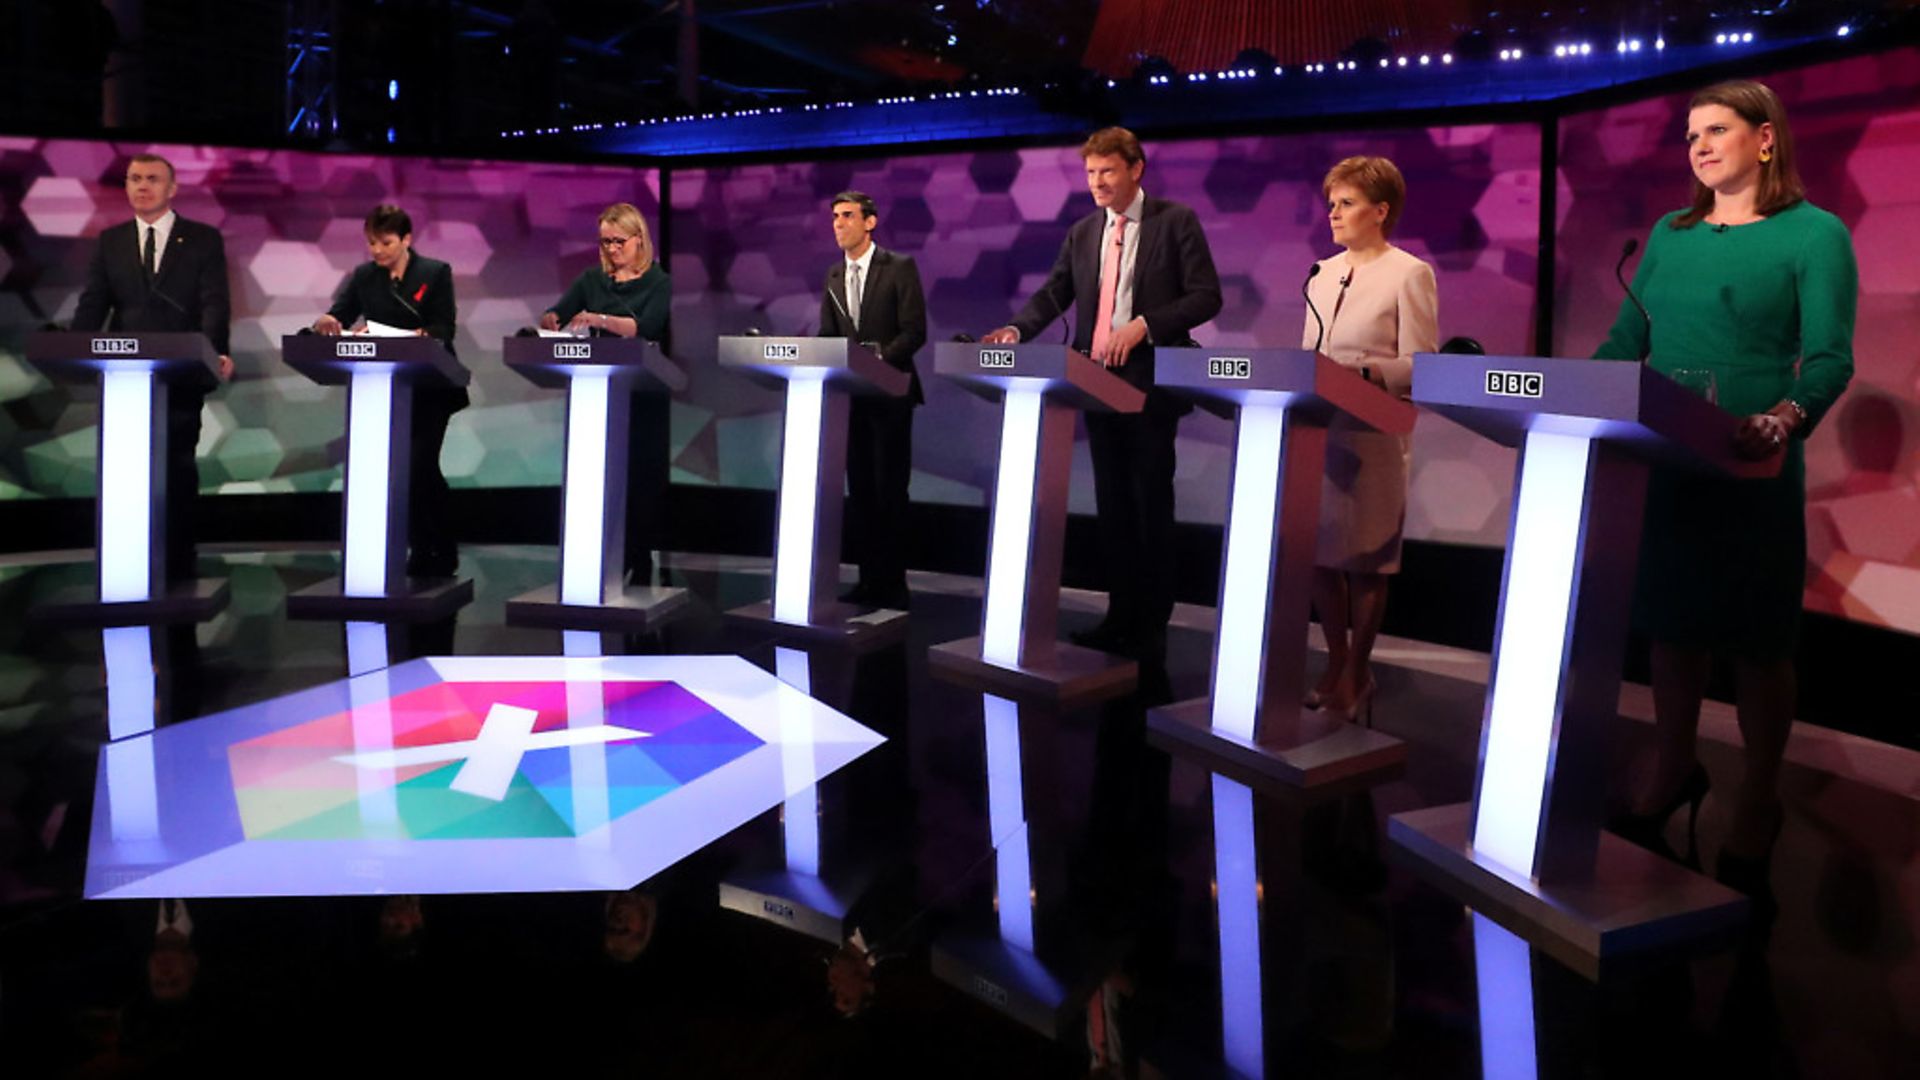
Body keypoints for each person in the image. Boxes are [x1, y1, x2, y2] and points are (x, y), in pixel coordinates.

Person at [1596, 80, 1855, 901]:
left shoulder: (1815, 235)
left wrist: (1786, 415)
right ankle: (1674, 769)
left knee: (1755, 641)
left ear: (1766, 140)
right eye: (1690, 135)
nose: (1699, 146)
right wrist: (1559, 392)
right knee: (1672, 629)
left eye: (1717, 130)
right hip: (1668, 461)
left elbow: (1828, 360)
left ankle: (1757, 793)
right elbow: (1624, 341)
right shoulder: (1670, 236)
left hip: (1751, 461)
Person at [983, 127, 1222, 660]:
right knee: (1113, 506)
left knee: (1149, 504)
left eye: (1107, 171)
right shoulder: (1084, 231)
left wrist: (1144, 325)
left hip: (1150, 387)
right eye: (1091, 173)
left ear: (1135, 169)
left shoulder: (1174, 220)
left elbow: (1207, 296)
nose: (1097, 182)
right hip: (1094, 386)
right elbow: (1054, 292)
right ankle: (1120, 615)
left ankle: (1151, 623)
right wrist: (1018, 331)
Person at [1301, 156, 1438, 723]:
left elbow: (1424, 363)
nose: (1334, 213)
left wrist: (1367, 374)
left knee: (1366, 561)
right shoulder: (1320, 272)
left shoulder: (1409, 273)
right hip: (1321, 431)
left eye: (1347, 203)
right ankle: (1335, 662)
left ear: (1380, 211)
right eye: (1331, 203)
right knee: (1321, 559)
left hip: (1374, 431)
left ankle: (1359, 670)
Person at [71, 153, 234, 582]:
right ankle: (128, 565)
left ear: (172, 188)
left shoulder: (201, 239)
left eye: (152, 179)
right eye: (134, 179)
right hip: (124, 380)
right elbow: (94, 303)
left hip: (181, 375)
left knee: (176, 465)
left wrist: (214, 351)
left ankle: (179, 564)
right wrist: (73, 345)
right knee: (128, 470)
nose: (142, 186)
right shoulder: (110, 242)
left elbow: (214, 301)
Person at [313, 205, 468, 579]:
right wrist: (329, 320)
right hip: (385, 389)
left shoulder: (434, 273)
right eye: (371, 243)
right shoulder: (365, 276)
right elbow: (342, 312)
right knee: (403, 470)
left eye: (385, 242)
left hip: (430, 388)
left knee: (419, 465)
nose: (377, 251)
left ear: (406, 240)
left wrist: (413, 337)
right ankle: (421, 546)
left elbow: (443, 327)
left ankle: (441, 546)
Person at [539, 203, 672, 585]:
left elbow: (647, 327)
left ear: (639, 240)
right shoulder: (591, 280)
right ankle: (596, 558)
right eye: (605, 242)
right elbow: (559, 313)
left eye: (619, 242)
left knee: (639, 479)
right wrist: (551, 318)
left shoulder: (659, 282)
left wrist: (599, 319)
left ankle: (638, 559)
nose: (612, 249)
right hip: (597, 395)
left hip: (641, 394)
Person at [818, 190, 927, 611]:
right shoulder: (832, 275)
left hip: (891, 396)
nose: (838, 224)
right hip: (852, 400)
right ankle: (867, 581)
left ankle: (893, 584)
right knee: (861, 492)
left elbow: (914, 332)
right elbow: (829, 338)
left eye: (847, 216)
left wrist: (878, 360)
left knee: (889, 492)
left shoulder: (899, 267)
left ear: (870, 221)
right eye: (834, 217)